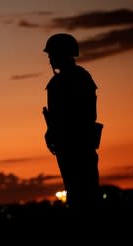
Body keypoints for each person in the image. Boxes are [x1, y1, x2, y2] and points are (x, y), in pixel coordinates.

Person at [42, 33, 102, 209]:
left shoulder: (78, 78)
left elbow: (85, 115)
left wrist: (61, 132)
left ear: (63, 53)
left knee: (85, 197)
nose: (50, 59)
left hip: (78, 147)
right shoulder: (58, 82)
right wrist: (51, 132)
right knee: (75, 195)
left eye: (52, 54)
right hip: (66, 148)